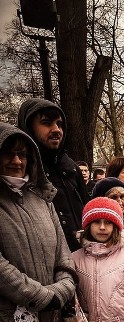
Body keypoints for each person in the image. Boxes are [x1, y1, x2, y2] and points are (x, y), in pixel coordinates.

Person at [0, 123, 76, 322]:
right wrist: (40, 295)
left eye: (23, 155)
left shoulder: (41, 201)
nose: (17, 162)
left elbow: (64, 257)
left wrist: (63, 288)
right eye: (8, 154)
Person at [18, 97, 87, 251]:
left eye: (60, 124)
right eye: (46, 123)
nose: (56, 129)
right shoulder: (23, 169)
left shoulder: (71, 167)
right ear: (29, 127)